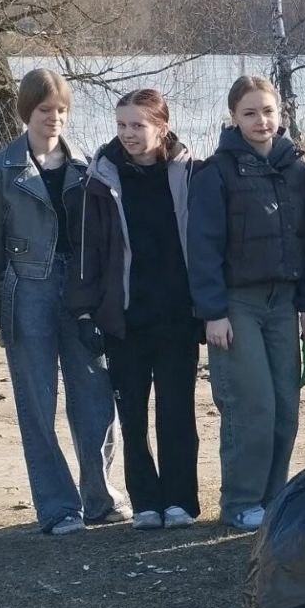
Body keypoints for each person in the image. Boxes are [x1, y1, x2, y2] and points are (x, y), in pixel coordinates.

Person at [0, 68, 129, 536]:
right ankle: (58, 507)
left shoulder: (88, 167)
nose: (54, 118)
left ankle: (100, 498)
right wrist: (4, 314)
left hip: (81, 292)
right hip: (27, 291)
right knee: (37, 404)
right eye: (45, 110)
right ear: (27, 111)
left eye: (62, 110)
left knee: (96, 395)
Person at [187, 75, 305, 530]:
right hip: (237, 305)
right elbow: (202, 246)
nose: (261, 121)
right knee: (252, 405)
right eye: (249, 113)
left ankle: (273, 499)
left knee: (285, 405)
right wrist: (213, 312)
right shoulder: (216, 172)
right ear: (233, 118)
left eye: (267, 111)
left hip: (284, 303)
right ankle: (241, 501)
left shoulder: (296, 168)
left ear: (280, 114)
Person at [67, 89, 201, 530]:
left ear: (161, 126)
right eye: (121, 125)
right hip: (124, 319)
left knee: (177, 412)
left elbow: (204, 243)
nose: (128, 133)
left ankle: (180, 499)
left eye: (138, 125)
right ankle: (145, 500)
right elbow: (87, 252)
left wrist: (206, 305)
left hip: (178, 316)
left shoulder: (188, 173)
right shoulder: (100, 179)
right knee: (133, 416)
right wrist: (85, 313)